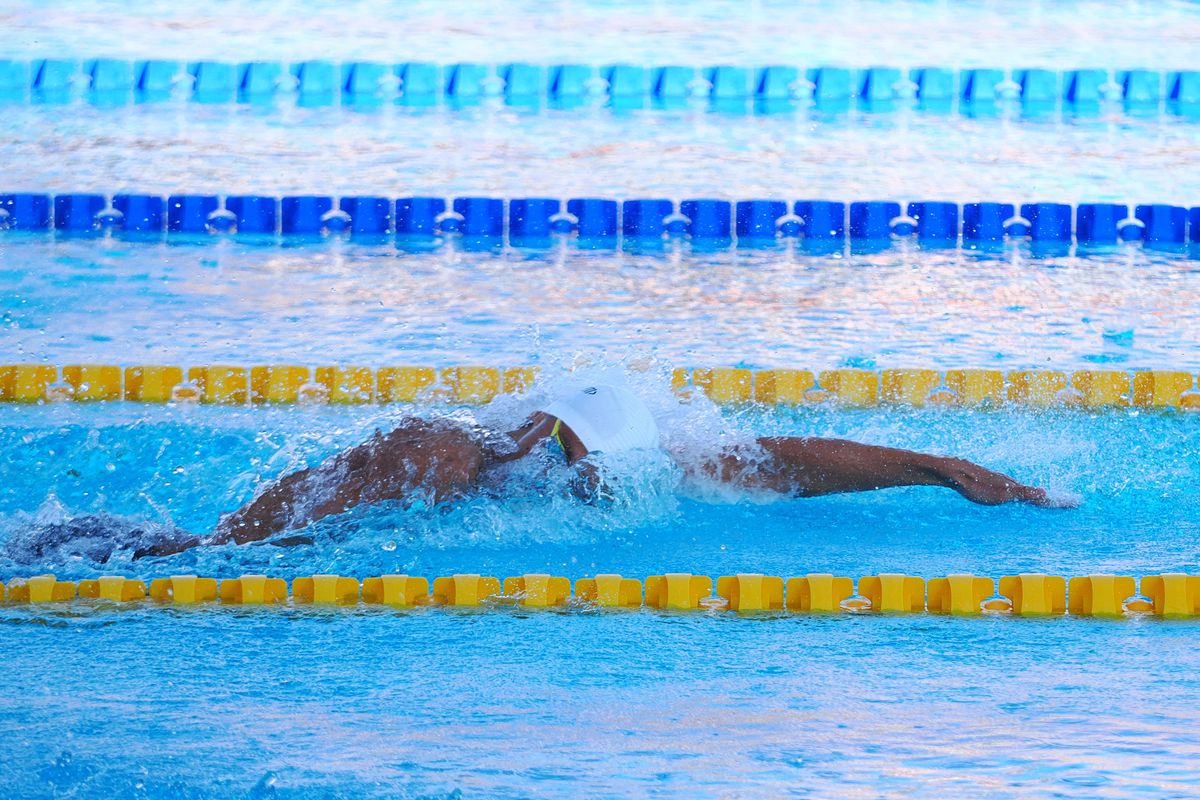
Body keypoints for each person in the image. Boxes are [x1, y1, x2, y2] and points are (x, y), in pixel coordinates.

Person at [136, 383, 1068, 557]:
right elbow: (232, 549)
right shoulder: (446, 453)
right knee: (181, 552)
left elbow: (786, 463)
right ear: (547, 436)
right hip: (185, 549)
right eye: (583, 467)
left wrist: (941, 467)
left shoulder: (645, 454)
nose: (592, 489)